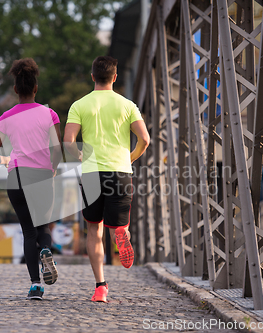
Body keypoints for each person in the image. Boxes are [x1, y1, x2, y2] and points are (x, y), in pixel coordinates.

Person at [63, 56, 150, 302]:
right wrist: (130, 159)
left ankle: (100, 287)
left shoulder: (79, 105)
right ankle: (121, 233)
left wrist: (79, 155)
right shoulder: (127, 105)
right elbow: (145, 139)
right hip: (120, 171)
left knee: (94, 228)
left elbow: (68, 142)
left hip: (91, 173)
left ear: (92, 77)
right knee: (117, 226)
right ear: (115, 77)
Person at [0, 58, 62, 300]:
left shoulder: (5, 117)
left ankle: (35, 286)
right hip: (41, 175)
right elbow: (57, 151)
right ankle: (46, 250)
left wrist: (7, 161)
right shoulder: (49, 114)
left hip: (17, 178)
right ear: (35, 88)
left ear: (15, 90)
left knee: (28, 232)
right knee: (43, 227)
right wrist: (51, 169)